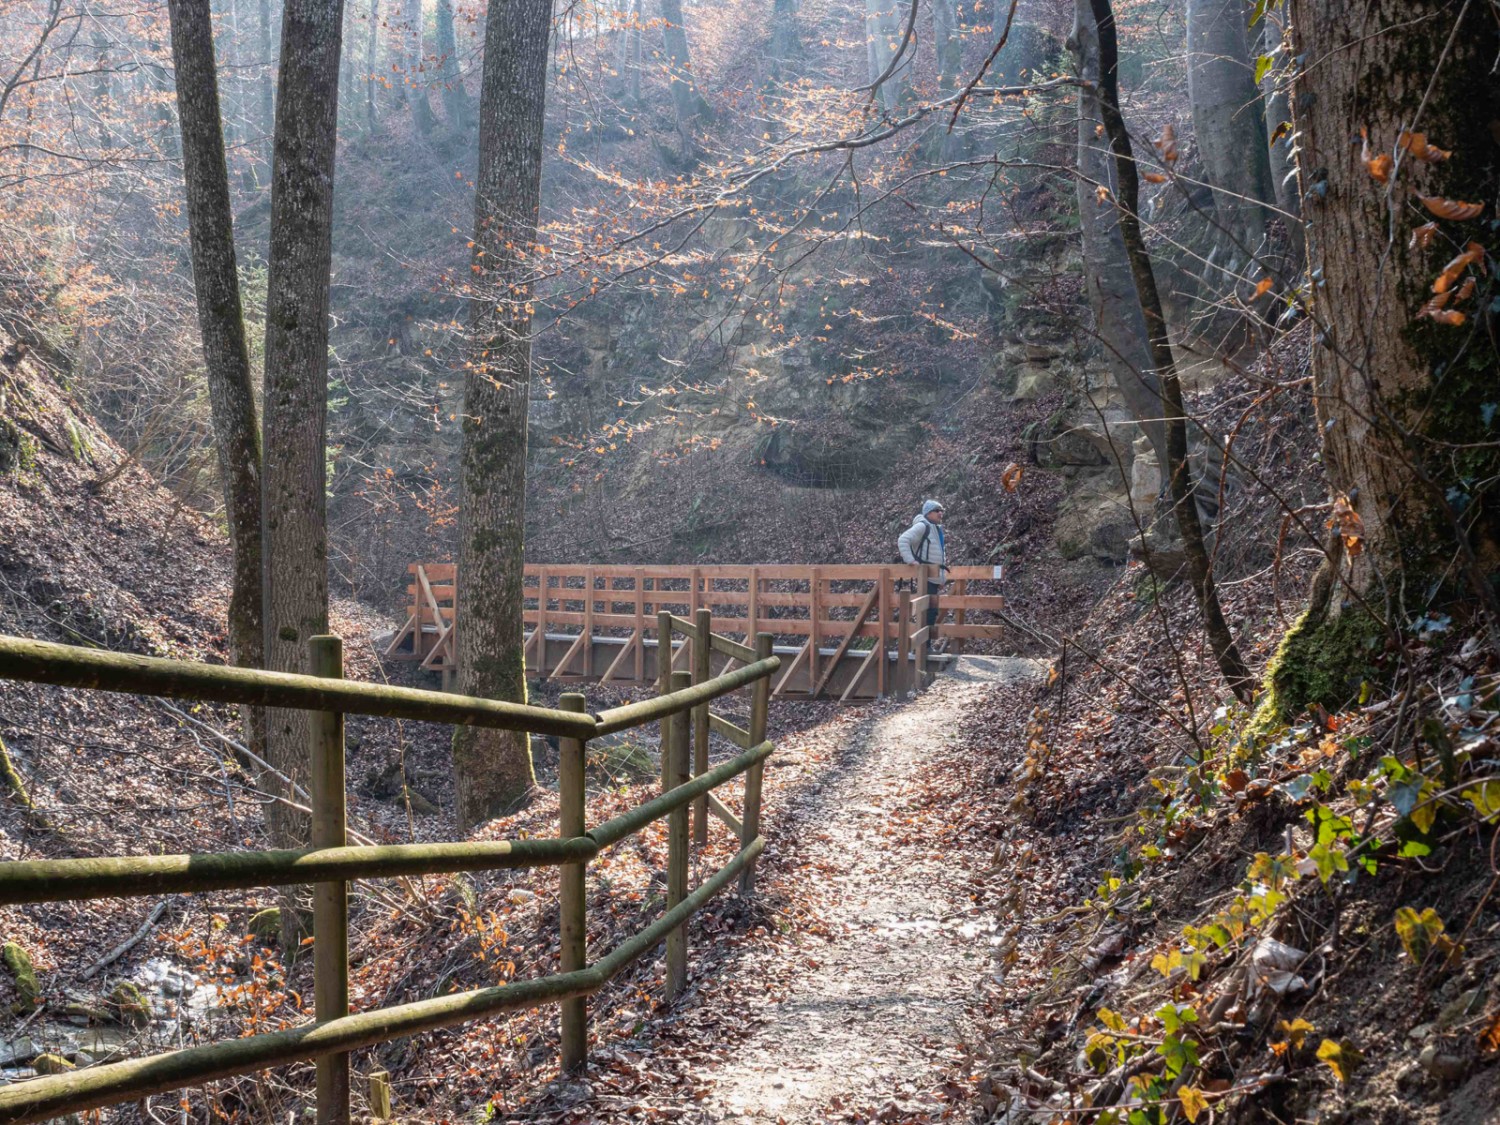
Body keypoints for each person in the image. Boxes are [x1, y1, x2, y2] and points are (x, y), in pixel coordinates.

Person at [897, 499, 948, 646]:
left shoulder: (935, 528)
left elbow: (938, 558)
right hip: (925, 577)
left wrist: (941, 580)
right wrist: (912, 561)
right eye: (937, 510)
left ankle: (924, 646)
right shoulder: (922, 526)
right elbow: (903, 540)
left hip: (931, 578)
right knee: (928, 611)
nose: (941, 513)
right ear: (928, 513)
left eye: (942, 510)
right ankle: (923, 647)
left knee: (931, 611)